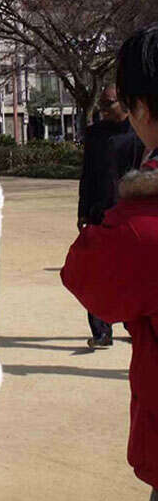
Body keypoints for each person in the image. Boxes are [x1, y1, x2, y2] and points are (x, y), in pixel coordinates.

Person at [61, 23, 158, 501]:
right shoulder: (101, 137)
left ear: (140, 108)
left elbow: (86, 275)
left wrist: (136, 194)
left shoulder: (141, 227)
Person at [77, 85, 142, 348]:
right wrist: (83, 210)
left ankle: (133, 324)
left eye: (109, 104)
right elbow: (87, 175)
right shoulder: (95, 134)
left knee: (132, 273)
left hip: (131, 213)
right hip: (100, 212)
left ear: (124, 103)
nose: (103, 110)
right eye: (101, 105)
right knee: (98, 274)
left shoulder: (140, 132)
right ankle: (101, 331)